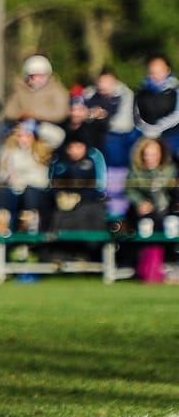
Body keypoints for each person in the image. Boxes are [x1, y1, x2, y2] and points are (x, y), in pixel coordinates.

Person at [0, 118, 64, 235]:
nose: (23, 139)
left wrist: (37, 126)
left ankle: (29, 225)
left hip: (35, 190)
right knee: (1, 191)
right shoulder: (8, 151)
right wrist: (7, 177)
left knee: (30, 193)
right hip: (13, 190)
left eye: (27, 135)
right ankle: (1, 225)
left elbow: (59, 136)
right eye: (20, 136)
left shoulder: (41, 149)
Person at [124, 136, 177, 283]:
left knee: (170, 223)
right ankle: (147, 269)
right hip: (142, 214)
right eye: (146, 154)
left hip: (166, 212)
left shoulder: (170, 170)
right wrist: (140, 203)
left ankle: (167, 265)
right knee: (145, 227)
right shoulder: (134, 171)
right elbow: (130, 192)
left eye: (153, 154)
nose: (149, 158)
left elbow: (171, 195)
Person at [83, 68, 136, 168]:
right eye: (100, 81)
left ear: (114, 81)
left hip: (120, 134)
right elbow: (81, 114)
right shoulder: (90, 93)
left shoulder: (125, 94)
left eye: (107, 82)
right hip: (96, 132)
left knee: (112, 142)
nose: (103, 85)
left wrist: (104, 117)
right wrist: (91, 115)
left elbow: (124, 125)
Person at [133, 54, 179, 158]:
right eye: (152, 72)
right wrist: (148, 131)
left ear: (167, 70)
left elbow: (177, 115)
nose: (156, 75)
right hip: (146, 136)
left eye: (159, 71)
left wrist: (158, 129)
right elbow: (136, 115)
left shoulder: (176, 90)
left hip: (172, 138)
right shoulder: (141, 92)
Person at [4, 55, 70, 126]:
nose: (37, 79)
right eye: (33, 76)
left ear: (48, 75)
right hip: (22, 126)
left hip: (49, 127)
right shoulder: (20, 90)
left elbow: (60, 114)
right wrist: (21, 115)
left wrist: (34, 115)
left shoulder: (57, 91)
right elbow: (8, 112)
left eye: (41, 76)